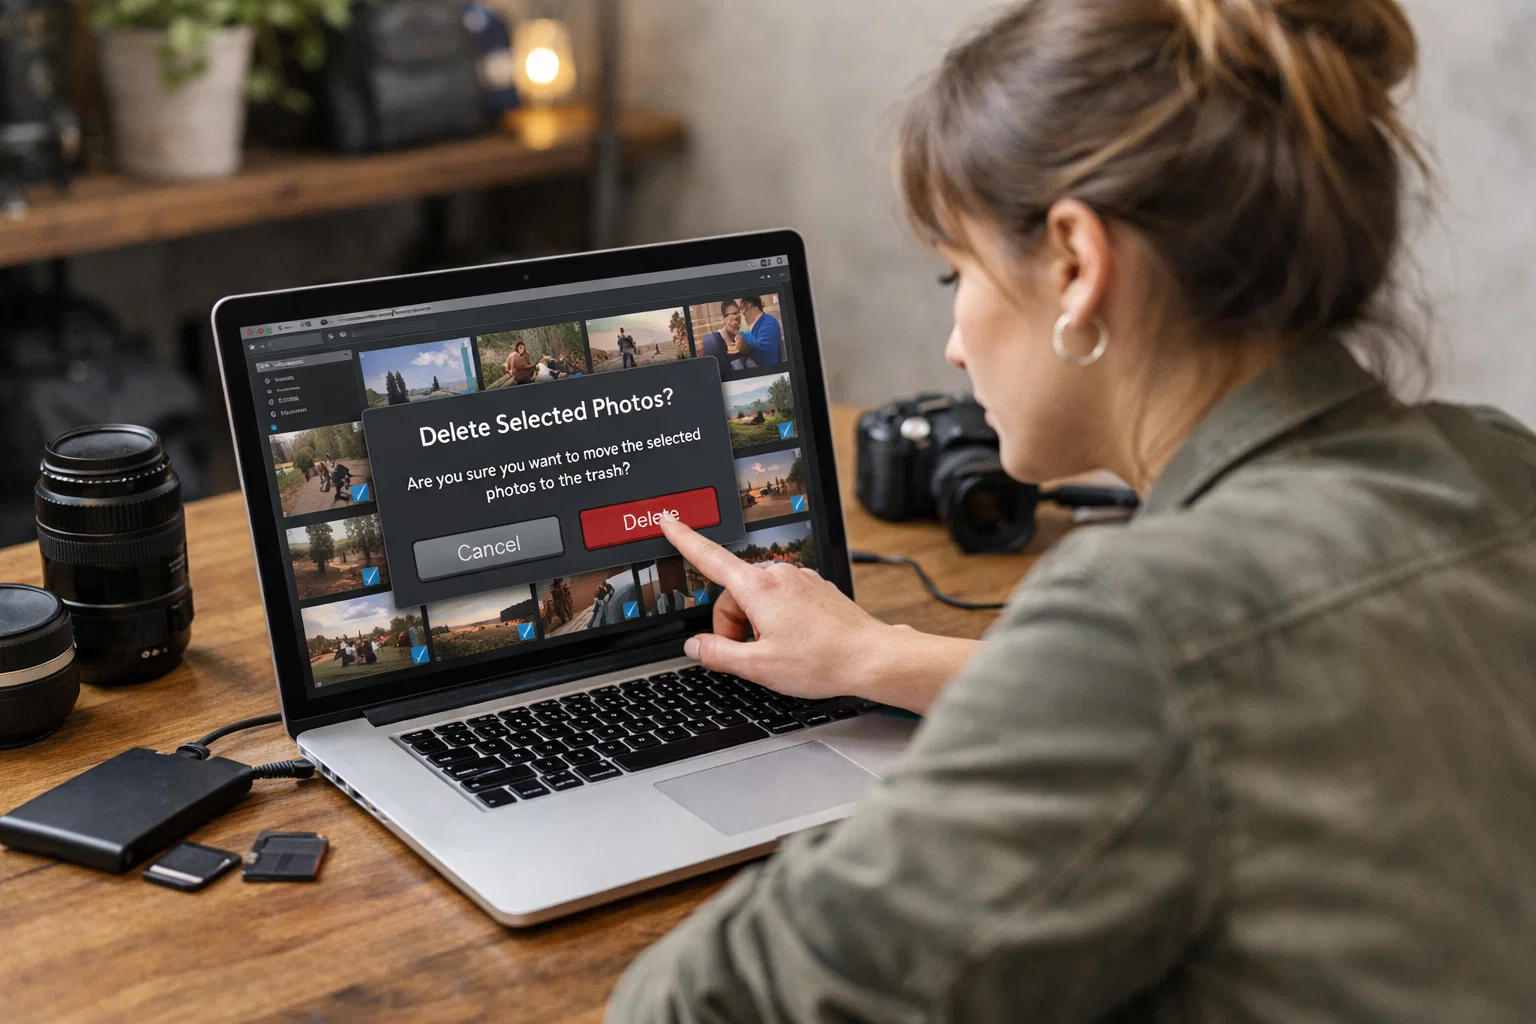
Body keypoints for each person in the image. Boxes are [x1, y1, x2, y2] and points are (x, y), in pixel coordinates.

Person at [608, 1, 1536, 1021]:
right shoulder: (1501, 466)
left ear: (1076, 264)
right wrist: (875, 657)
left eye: (955, 270)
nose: (955, 344)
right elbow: (1232, 692)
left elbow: (702, 1007)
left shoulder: (1143, 623)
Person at [699, 301, 754, 372]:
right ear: (724, 318)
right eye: (733, 315)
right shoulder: (713, 341)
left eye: (738, 314)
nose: (736, 322)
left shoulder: (741, 337)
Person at [737, 295, 783, 366]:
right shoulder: (758, 325)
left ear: (749, 305)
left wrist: (744, 339)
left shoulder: (769, 323)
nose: (742, 313)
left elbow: (765, 358)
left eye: (742, 309)